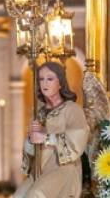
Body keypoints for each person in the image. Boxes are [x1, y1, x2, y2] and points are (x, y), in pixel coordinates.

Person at [14, 61, 89, 198]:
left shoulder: (71, 109)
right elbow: (31, 152)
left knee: (36, 194)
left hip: (64, 169)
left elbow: (77, 139)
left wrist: (46, 137)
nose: (44, 83)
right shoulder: (40, 113)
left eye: (50, 78)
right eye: (41, 79)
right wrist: (31, 140)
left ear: (60, 83)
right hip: (41, 169)